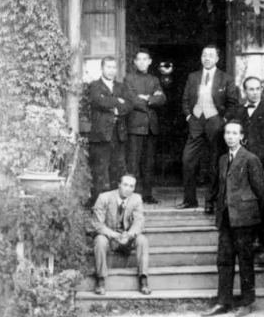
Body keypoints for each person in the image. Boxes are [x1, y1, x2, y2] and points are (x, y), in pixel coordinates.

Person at [202, 120, 264, 317]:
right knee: (224, 260)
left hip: (245, 219)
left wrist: (254, 216)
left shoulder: (250, 159)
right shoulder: (223, 159)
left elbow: (260, 191)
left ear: (241, 136)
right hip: (226, 218)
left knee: (245, 260)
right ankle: (224, 301)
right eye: (227, 133)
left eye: (234, 133)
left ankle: (247, 302)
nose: (230, 137)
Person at [176, 44, 239, 213]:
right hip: (196, 122)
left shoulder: (225, 78)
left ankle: (211, 202)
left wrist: (223, 121)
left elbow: (233, 104)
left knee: (214, 164)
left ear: (217, 58)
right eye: (204, 55)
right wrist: (189, 116)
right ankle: (190, 200)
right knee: (188, 161)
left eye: (211, 55)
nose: (207, 58)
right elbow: (185, 100)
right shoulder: (193, 77)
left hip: (215, 123)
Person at [235, 76, 264, 243]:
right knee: (241, 198)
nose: (255, 93)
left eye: (257, 89)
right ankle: (243, 236)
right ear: (245, 91)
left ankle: (258, 237)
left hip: (260, 164)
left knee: (259, 199)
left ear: (261, 90)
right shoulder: (238, 112)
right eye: (251, 89)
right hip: (241, 163)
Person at [92, 174, 151, 296]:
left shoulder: (136, 199)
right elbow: (98, 225)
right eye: (125, 185)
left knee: (142, 240)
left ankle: (143, 279)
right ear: (119, 185)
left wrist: (129, 235)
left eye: (131, 186)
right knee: (99, 240)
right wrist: (114, 235)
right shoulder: (104, 198)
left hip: (126, 238)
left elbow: (138, 222)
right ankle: (100, 279)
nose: (128, 189)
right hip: (109, 238)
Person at [88, 57, 134, 205]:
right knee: (99, 172)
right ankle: (97, 206)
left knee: (117, 172)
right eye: (108, 67)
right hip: (101, 135)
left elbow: (129, 104)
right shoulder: (94, 86)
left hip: (118, 135)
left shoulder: (122, 87)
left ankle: (116, 206)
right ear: (102, 68)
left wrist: (117, 108)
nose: (111, 70)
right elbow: (99, 101)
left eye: (114, 67)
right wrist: (117, 101)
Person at [125, 49, 166, 204]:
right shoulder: (129, 78)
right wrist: (150, 101)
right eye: (139, 59)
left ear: (150, 62)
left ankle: (147, 195)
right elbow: (132, 100)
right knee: (133, 163)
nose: (142, 62)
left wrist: (147, 99)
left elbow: (162, 98)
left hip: (150, 127)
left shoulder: (154, 79)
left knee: (149, 164)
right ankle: (132, 196)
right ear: (135, 62)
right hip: (135, 126)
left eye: (145, 59)